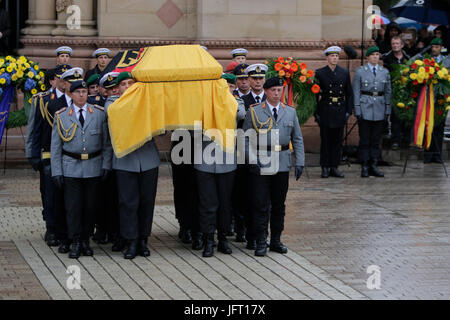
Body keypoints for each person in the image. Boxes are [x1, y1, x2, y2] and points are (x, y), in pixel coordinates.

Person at [242, 77, 305, 257]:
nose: (277, 94)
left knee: (279, 205)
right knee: (260, 204)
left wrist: (299, 161)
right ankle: (261, 240)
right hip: (262, 161)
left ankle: (276, 240)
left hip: (282, 163)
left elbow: (297, 138)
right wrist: (252, 159)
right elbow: (245, 139)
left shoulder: (290, 112)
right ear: (266, 92)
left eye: (279, 90)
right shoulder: (255, 112)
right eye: (273, 90)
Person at [51, 80, 112, 259]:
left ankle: (86, 240)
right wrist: (57, 171)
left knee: (90, 207)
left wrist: (106, 165)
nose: (82, 95)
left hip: (93, 166)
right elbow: (55, 147)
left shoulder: (99, 114)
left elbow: (106, 143)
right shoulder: (62, 115)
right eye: (78, 92)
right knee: (73, 207)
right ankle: (75, 240)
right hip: (71, 167)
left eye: (85, 92)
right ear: (71, 94)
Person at [106, 72, 161, 259]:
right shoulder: (112, 104)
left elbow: (161, 130)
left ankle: (143, 239)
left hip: (148, 160)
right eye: (124, 84)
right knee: (128, 203)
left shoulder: (148, 102)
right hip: (125, 161)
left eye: (131, 83)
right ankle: (131, 240)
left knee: (146, 202)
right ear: (117, 88)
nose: (127, 87)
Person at [193, 77, 245, 258]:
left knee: (225, 203)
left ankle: (222, 239)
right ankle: (208, 240)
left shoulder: (235, 102)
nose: (227, 89)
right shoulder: (202, 104)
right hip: (204, 162)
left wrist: (225, 98)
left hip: (226, 161)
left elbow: (239, 114)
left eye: (230, 87)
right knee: (207, 204)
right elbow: (193, 122)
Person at [27, 68, 62, 247]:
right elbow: (34, 130)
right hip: (48, 154)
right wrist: (32, 154)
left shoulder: (74, 98)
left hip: (68, 156)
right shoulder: (41, 100)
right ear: (52, 81)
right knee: (49, 194)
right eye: (60, 78)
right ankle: (51, 228)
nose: (64, 81)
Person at [314, 46, 353, 178]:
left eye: (336, 56)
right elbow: (314, 95)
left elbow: (349, 93)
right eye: (332, 56)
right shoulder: (320, 73)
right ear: (327, 57)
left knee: (337, 141)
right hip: (325, 109)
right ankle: (325, 166)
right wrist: (316, 113)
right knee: (325, 141)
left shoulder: (344, 72)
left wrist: (348, 111)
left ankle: (334, 166)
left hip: (339, 110)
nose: (335, 58)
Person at [353, 46, 392, 178]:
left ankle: (374, 164)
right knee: (365, 139)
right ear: (368, 57)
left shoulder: (384, 72)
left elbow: (387, 92)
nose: (375, 57)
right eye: (373, 54)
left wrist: (387, 109)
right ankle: (364, 165)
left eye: (377, 54)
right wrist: (357, 109)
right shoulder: (360, 72)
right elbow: (356, 91)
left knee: (376, 140)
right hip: (365, 107)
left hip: (379, 108)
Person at [91, 71, 120, 245]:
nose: (115, 90)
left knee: (118, 199)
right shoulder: (99, 108)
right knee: (104, 199)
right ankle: (103, 230)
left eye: (116, 87)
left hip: (121, 159)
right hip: (104, 159)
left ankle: (116, 233)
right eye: (110, 88)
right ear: (104, 90)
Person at [382, 36, 411, 150]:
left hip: (405, 92)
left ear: (402, 45)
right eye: (393, 44)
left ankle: (406, 140)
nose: (395, 46)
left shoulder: (408, 58)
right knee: (395, 117)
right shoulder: (386, 58)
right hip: (392, 91)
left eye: (397, 44)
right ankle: (396, 140)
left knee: (406, 115)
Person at [424, 37, 448, 164]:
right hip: (428, 98)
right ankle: (428, 153)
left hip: (441, 98)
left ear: (441, 48)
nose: (434, 49)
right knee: (428, 126)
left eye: (437, 47)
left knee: (439, 126)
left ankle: (437, 154)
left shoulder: (446, 60)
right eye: (433, 47)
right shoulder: (426, 60)